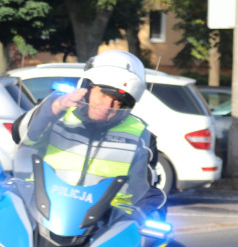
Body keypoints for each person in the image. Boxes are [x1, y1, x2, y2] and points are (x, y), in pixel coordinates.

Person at [11, 49, 166, 219]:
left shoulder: (138, 136)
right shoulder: (55, 114)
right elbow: (21, 134)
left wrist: (149, 214)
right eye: (104, 94)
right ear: (87, 88)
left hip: (103, 223)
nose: (108, 105)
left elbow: (145, 190)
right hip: (41, 211)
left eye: (119, 102)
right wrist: (55, 107)